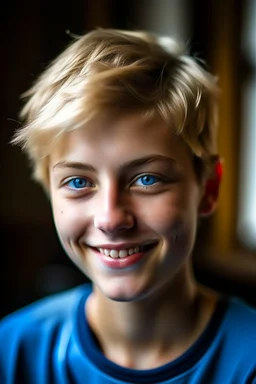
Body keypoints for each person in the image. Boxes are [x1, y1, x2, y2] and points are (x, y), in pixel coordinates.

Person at [1, 28, 256, 384]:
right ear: (50, 192)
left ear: (208, 188)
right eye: (78, 182)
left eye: (147, 179)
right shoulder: (12, 352)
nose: (111, 219)